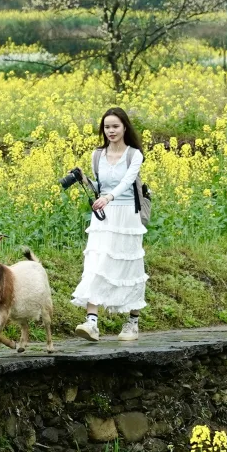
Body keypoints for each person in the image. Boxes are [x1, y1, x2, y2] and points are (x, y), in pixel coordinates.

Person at [72, 106, 148, 342]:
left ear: (125, 127)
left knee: (129, 266)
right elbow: (100, 185)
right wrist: (85, 181)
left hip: (127, 216)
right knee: (96, 262)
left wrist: (108, 197)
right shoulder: (97, 155)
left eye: (115, 126)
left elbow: (126, 182)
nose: (111, 131)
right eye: (107, 127)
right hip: (103, 216)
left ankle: (132, 322)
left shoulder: (134, 154)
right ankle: (92, 322)